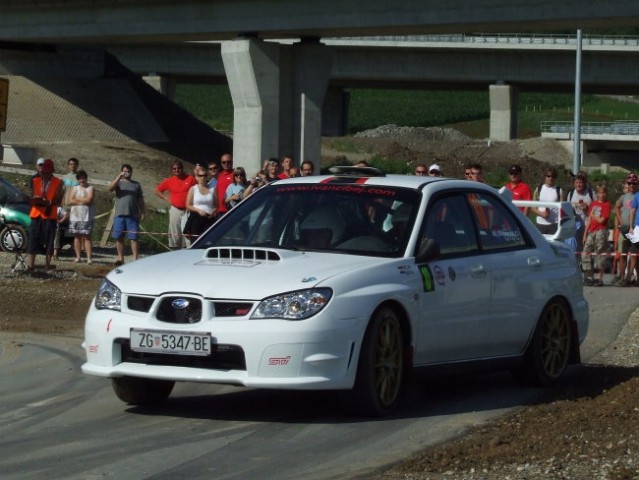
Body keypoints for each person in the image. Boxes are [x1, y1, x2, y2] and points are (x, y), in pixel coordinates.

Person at [26, 159, 64, 271]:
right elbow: (31, 194)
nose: (44, 173)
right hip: (36, 213)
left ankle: (47, 265)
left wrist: (50, 202)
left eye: (46, 171)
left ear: (51, 171)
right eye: (42, 171)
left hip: (49, 213)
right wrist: (33, 199)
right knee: (33, 239)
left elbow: (59, 198)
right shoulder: (35, 180)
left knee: (49, 240)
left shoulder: (58, 182)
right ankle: (30, 266)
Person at [155, 159, 196, 249]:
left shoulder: (191, 179)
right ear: (172, 170)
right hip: (175, 210)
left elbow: (198, 189)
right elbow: (157, 190)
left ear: (182, 168)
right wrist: (167, 198)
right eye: (174, 169)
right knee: (175, 233)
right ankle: (174, 251)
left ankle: (188, 250)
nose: (176, 170)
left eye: (179, 168)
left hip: (188, 210)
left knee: (187, 233)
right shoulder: (170, 180)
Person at [109, 164, 145, 266]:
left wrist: (143, 212)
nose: (126, 173)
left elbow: (140, 199)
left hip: (133, 215)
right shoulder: (118, 183)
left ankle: (135, 258)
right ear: (121, 171)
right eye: (124, 171)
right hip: (120, 214)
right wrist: (118, 177)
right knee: (119, 237)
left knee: (134, 238)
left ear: (131, 172)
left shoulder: (136, 184)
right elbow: (110, 188)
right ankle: (120, 258)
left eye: (128, 171)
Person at [581, 184, 611, 287]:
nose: (601, 195)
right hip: (591, 231)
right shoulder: (593, 204)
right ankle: (589, 276)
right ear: (597, 194)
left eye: (603, 193)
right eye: (599, 193)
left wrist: (593, 215)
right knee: (585, 252)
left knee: (600, 253)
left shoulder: (606, 205)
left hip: (601, 230)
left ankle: (599, 278)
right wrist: (585, 234)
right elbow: (589, 220)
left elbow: (602, 220)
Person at [613, 174, 638, 285]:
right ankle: (623, 277)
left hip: (634, 230)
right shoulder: (623, 197)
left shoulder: (637, 195)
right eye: (629, 183)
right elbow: (616, 207)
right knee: (622, 255)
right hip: (624, 229)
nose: (632, 185)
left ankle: (630, 277)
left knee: (635, 255)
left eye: (634, 183)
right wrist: (621, 222)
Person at [68, 169, 95, 264]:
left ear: (86, 178)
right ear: (77, 180)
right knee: (77, 236)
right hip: (75, 216)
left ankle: (89, 258)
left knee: (87, 237)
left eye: (83, 178)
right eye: (80, 179)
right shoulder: (74, 188)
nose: (82, 180)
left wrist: (77, 200)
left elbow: (89, 200)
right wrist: (83, 200)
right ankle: (78, 257)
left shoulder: (90, 188)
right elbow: (70, 201)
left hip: (87, 216)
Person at [184, 164, 217, 240]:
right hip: (196, 218)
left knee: (209, 241)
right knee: (196, 242)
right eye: (200, 175)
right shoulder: (193, 189)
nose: (202, 177)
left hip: (209, 219)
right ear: (196, 177)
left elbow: (216, 205)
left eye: (204, 175)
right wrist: (198, 210)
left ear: (207, 176)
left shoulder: (212, 189)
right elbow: (188, 205)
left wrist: (213, 211)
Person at [567, 172, 594, 256]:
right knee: (576, 248)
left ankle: (585, 267)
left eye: (580, 183)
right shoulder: (571, 194)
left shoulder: (591, 193)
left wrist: (587, 209)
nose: (578, 185)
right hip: (575, 227)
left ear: (584, 183)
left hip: (588, 226)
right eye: (576, 182)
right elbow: (567, 210)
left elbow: (597, 211)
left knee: (587, 249)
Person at [532, 167, 563, 234]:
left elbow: (562, 209)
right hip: (540, 224)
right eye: (548, 176)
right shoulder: (538, 189)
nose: (550, 178)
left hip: (554, 224)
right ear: (545, 177)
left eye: (553, 176)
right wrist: (541, 214)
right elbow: (533, 208)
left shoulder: (559, 190)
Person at [216, 153, 235, 218]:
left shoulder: (236, 175)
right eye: (224, 162)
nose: (226, 164)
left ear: (232, 162)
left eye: (228, 162)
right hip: (219, 211)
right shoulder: (220, 175)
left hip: (231, 210)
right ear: (221, 163)